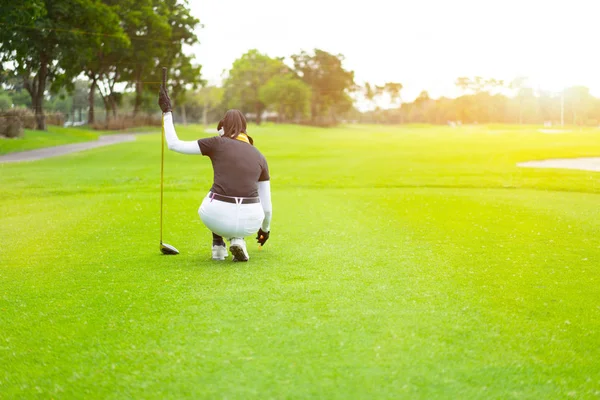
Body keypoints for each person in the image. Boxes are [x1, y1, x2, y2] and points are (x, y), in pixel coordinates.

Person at [158, 85, 272, 262]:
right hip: (251, 221)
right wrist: (265, 230)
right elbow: (267, 209)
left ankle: (218, 245)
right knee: (236, 199)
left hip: (216, 216)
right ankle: (238, 239)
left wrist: (167, 112)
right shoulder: (260, 156)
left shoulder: (217, 143)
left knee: (216, 192)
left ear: (222, 127)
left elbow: (174, 144)